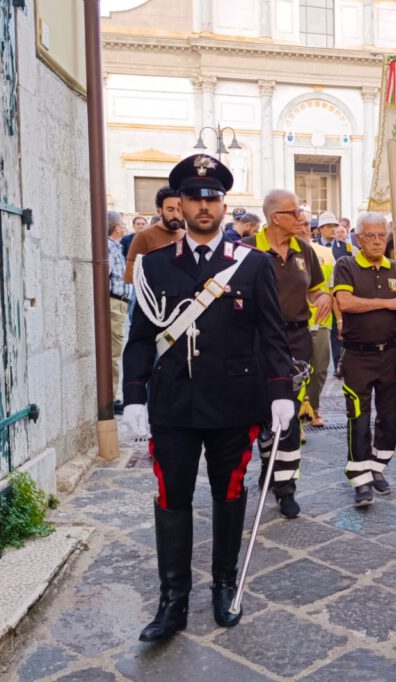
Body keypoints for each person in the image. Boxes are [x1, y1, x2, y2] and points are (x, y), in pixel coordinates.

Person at [121, 154, 294, 640]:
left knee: (230, 495)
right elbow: (139, 337)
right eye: (194, 197)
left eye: (212, 197)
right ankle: (172, 601)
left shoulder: (252, 264)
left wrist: (280, 392)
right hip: (173, 405)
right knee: (171, 498)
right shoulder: (155, 266)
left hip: (234, 403)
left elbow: (272, 333)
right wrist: (134, 394)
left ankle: (223, 585)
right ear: (179, 203)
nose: (203, 205)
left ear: (223, 204)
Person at [244, 191, 332, 517]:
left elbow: (316, 290)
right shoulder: (248, 248)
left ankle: (286, 487)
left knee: (290, 414)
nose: (301, 217)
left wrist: (323, 298)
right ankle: (268, 462)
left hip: (295, 340)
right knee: (263, 412)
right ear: (275, 217)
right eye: (295, 212)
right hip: (255, 339)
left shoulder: (304, 251)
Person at [332, 213, 396, 506]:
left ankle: (377, 468)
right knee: (359, 419)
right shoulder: (346, 265)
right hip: (358, 356)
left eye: (381, 235)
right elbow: (345, 302)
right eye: (370, 236)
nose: (377, 241)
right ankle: (360, 480)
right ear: (358, 238)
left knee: (390, 419)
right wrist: (388, 302)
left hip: (391, 355)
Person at [299, 211, 335, 428]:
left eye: (305, 224)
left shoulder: (325, 253)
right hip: (294, 322)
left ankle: (313, 405)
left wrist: (339, 320)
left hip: (321, 320)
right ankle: (299, 416)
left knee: (320, 367)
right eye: (299, 223)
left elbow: (331, 289)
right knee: (296, 369)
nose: (302, 227)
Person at [125, 187, 185, 284]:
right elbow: (129, 276)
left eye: (179, 209)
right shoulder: (144, 236)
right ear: (159, 211)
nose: (176, 215)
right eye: (170, 210)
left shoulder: (187, 236)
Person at [108, 211, 131, 413]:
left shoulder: (117, 247)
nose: (125, 227)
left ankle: (113, 395)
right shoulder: (109, 247)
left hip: (120, 304)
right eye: (122, 224)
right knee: (114, 352)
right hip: (113, 304)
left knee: (116, 351)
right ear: (116, 227)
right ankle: (112, 398)